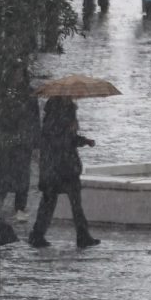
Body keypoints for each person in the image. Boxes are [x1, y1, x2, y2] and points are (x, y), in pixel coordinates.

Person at [27, 95, 100, 250]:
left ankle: (82, 235)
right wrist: (69, 131)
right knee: (50, 203)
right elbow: (56, 141)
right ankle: (37, 235)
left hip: (64, 167)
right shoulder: (54, 115)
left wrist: (83, 141)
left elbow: (68, 139)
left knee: (73, 204)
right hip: (57, 168)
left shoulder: (67, 111)